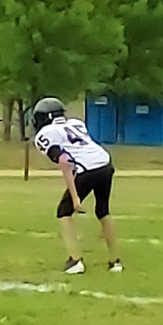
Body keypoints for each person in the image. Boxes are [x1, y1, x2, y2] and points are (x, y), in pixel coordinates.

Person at [31, 97, 121, 274]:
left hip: (86, 169)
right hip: (105, 163)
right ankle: (115, 262)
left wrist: (75, 197)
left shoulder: (46, 133)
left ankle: (75, 261)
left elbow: (64, 162)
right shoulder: (75, 123)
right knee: (103, 211)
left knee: (64, 212)